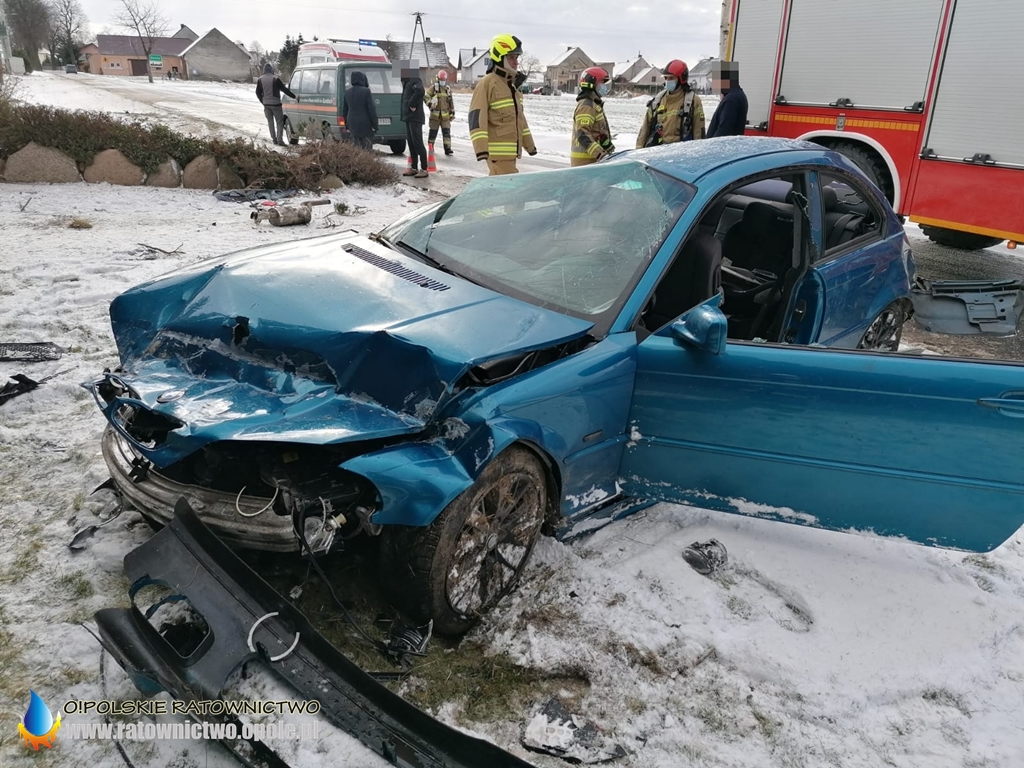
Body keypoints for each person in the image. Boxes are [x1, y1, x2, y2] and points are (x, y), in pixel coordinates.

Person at [468, 34, 537, 176]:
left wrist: (530, 146)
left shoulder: (512, 86)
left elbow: (520, 120)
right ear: (500, 57)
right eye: (511, 57)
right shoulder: (487, 84)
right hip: (497, 155)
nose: (516, 62)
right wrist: (481, 150)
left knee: (502, 188)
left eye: (516, 58)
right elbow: (476, 118)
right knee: (509, 188)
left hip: (511, 154)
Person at [636, 60, 705, 148]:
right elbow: (645, 129)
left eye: (671, 78)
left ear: (681, 79)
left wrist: (697, 151)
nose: (667, 81)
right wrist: (639, 150)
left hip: (682, 152)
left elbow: (698, 132)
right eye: (666, 78)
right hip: (659, 151)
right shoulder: (658, 100)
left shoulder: (692, 101)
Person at [570, 66, 614, 167]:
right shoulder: (586, 106)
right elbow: (583, 134)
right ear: (592, 84)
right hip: (585, 162)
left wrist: (606, 145)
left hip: (592, 161)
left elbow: (596, 132)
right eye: (602, 83)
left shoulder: (594, 104)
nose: (605, 87)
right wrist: (600, 154)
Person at [255, 63, 299, 146]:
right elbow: (284, 89)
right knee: (279, 122)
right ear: (271, 70)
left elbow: (257, 92)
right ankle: (280, 140)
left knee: (270, 122)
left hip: (266, 105)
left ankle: (274, 139)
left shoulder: (260, 79)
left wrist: (262, 101)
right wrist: (294, 97)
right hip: (276, 104)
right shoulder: (275, 79)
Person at [399, 62, 429, 179]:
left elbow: (420, 91)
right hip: (408, 117)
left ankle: (424, 169)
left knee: (417, 143)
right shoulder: (407, 82)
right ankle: (414, 167)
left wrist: (412, 104)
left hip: (415, 117)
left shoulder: (414, 79)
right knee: (411, 143)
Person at [706, 61, 748, 138]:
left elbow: (723, 131)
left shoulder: (731, 100)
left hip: (722, 145)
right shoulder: (738, 94)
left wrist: (711, 143)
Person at [343, 70, 378, 151]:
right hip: (365, 123)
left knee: (355, 148)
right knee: (366, 148)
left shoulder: (347, 92)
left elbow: (345, 110)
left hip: (352, 123)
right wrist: (375, 125)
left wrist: (346, 125)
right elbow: (371, 109)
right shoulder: (366, 91)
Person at [424, 70, 455, 156]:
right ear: (438, 79)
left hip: (445, 117)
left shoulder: (447, 89)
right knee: (433, 133)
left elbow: (451, 102)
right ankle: (431, 148)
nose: (443, 81)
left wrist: (452, 113)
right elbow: (426, 97)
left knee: (447, 133)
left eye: (444, 80)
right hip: (435, 117)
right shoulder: (433, 88)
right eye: (441, 80)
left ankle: (448, 149)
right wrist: (430, 104)